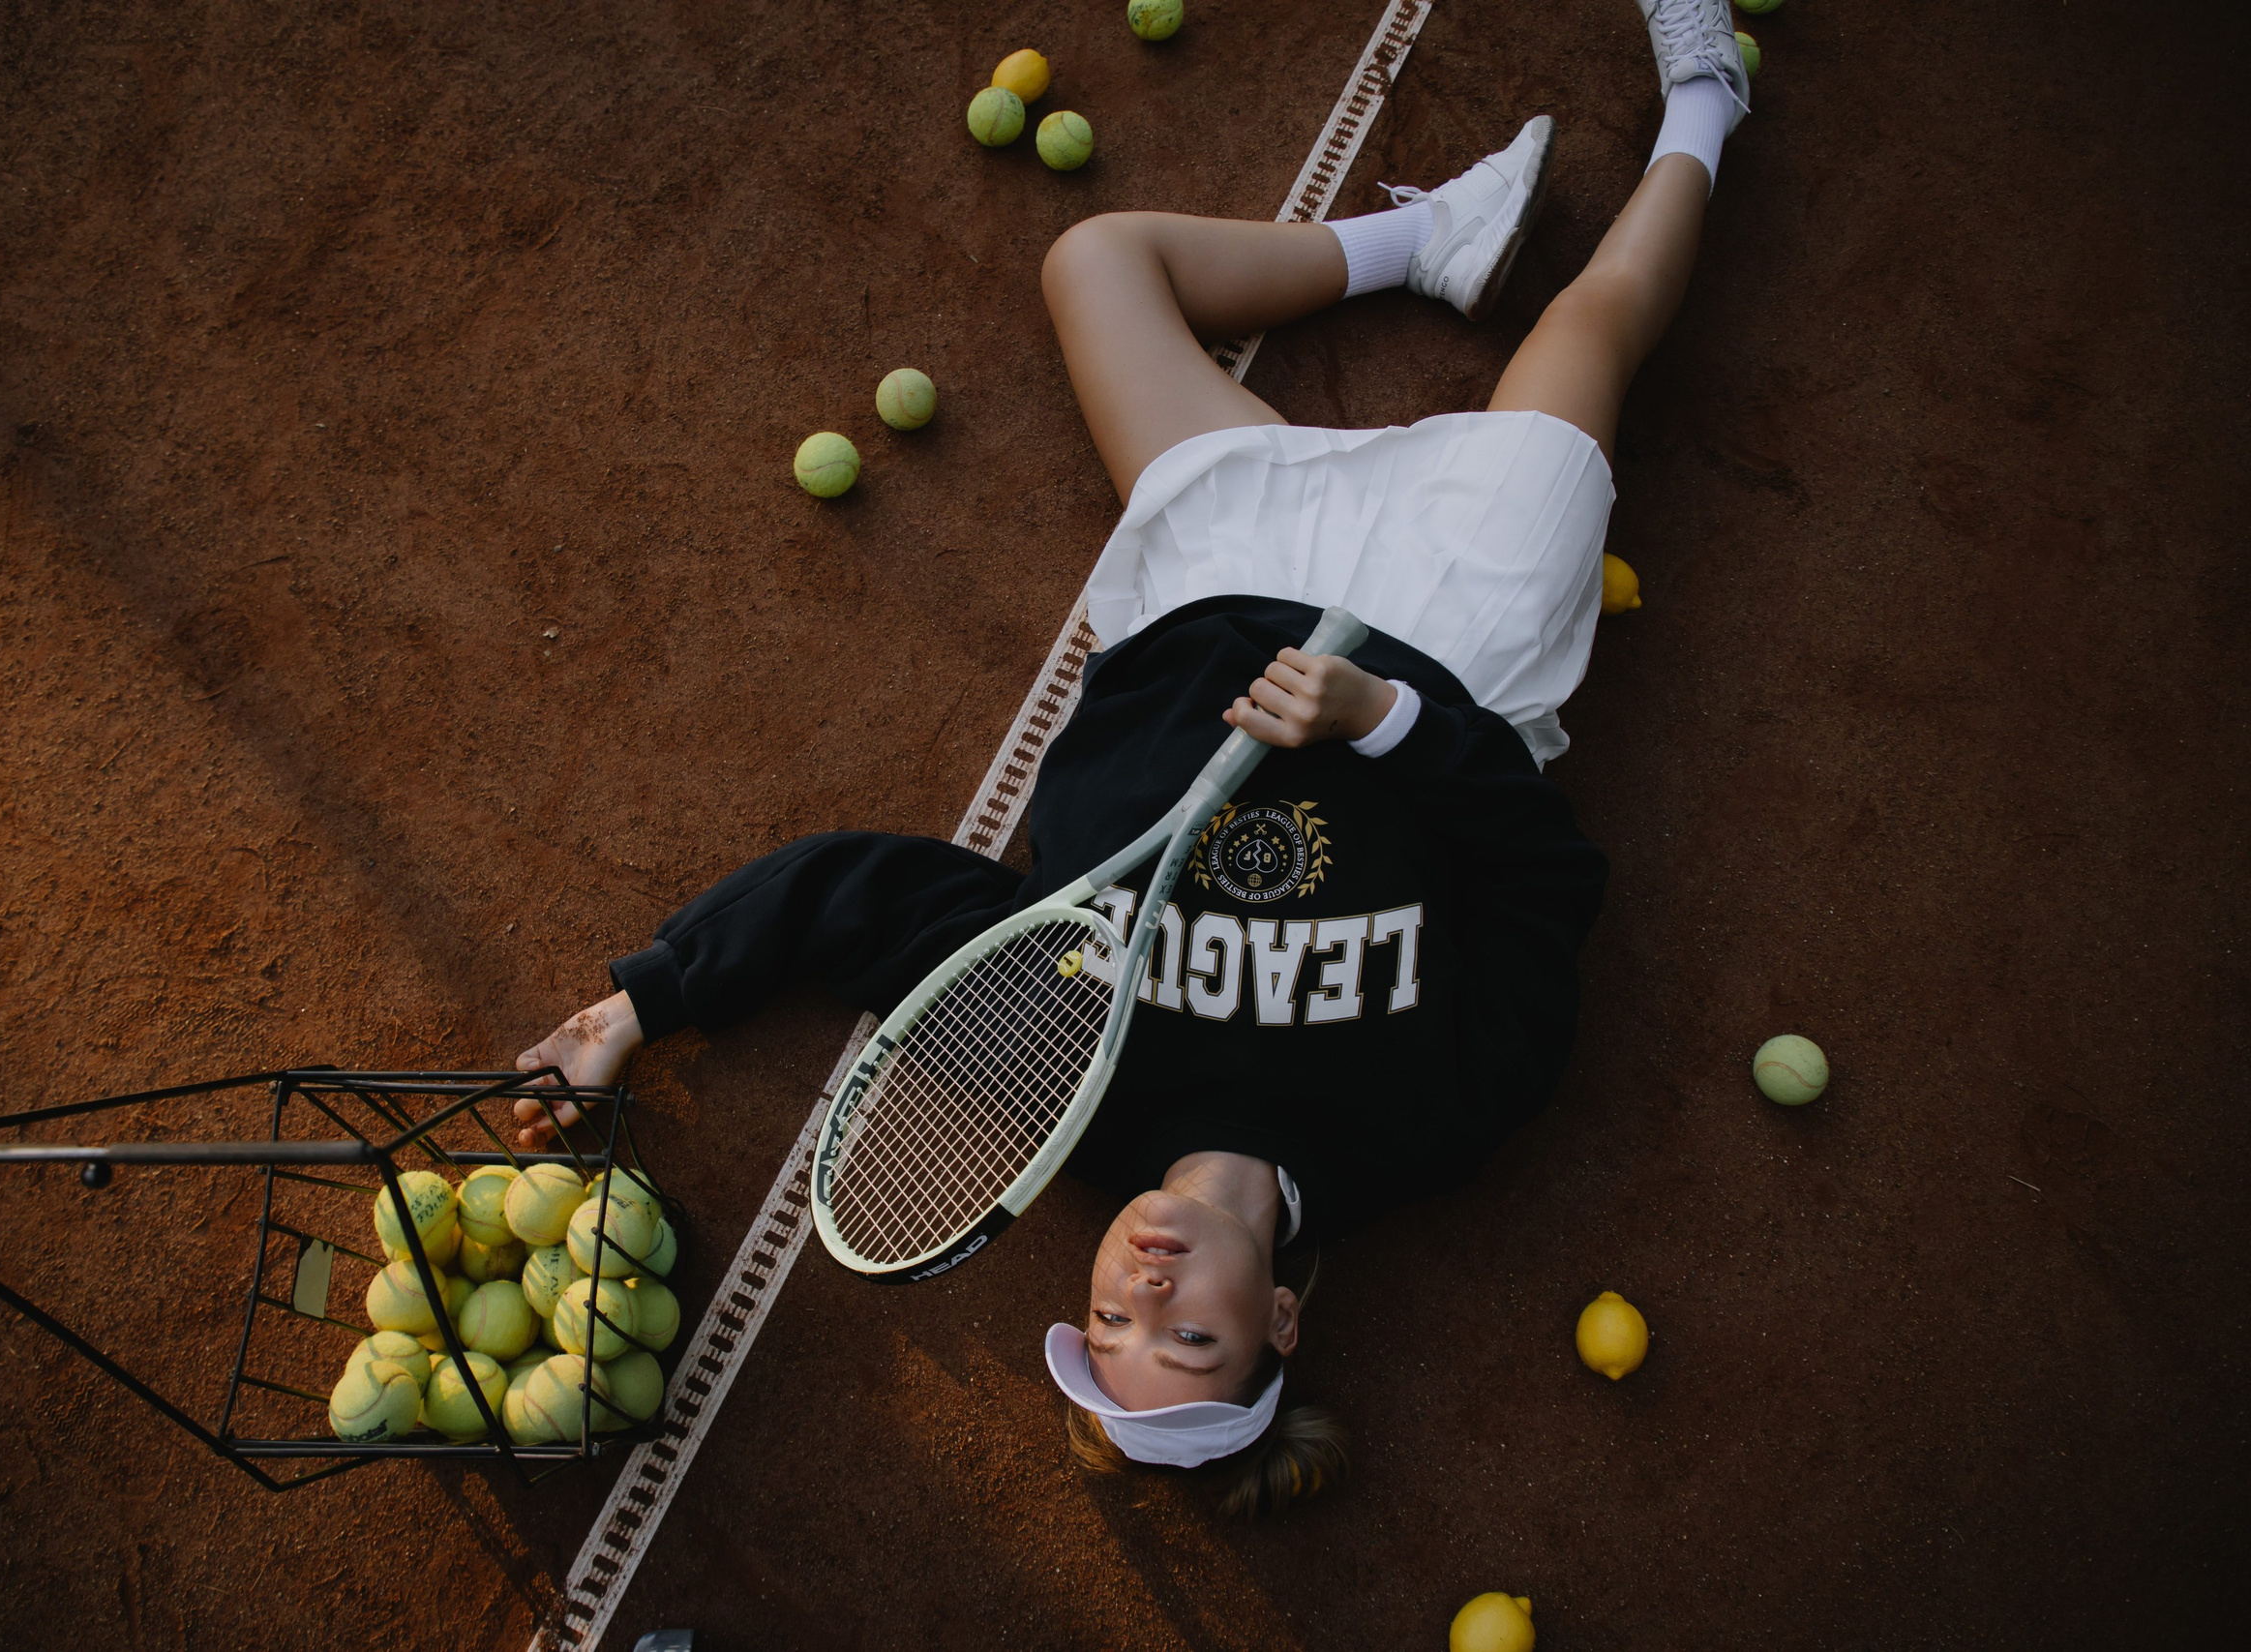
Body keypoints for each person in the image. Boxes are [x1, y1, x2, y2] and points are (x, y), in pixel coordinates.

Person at [515, 0, 1754, 1517]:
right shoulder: (1437, 1125)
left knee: (1096, 261)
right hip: (1455, 632)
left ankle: (1427, 239)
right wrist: (1384, 719)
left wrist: (638, 1002)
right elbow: (1549, 885)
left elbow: (860, 903)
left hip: (1214, 587)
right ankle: (1708, 101)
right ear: (1281, 1320)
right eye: (1192, 1338)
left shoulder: (1068, 1105)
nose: (1142, 1292)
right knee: (1592, 329)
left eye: (1107, 1322)